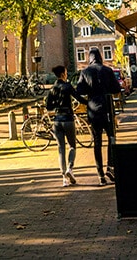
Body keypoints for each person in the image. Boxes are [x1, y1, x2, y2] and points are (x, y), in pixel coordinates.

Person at [76, 48, 121, 186]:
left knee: (97, 141)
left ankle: (100, 173)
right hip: (107, 108)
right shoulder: (107, 71)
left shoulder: (84, 72)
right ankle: (110, 167)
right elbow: (116, 89)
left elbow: (80, 91)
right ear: (100, 57)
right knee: (111, 138)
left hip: (93, 110)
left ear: (89, 58)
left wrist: (89, 99)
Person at [45, 64, 86, 187]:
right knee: (72, 146)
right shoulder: (67, 86)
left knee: (60, 149)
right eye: (66, 72)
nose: (67, 74)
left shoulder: (52, 89)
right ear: (63, 74)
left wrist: (56, 104)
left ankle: (64, 178)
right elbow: (78, 98)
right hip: (68, 118)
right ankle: (70, 168)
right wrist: (89, 102)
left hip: (57, 120)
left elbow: (48, 106)